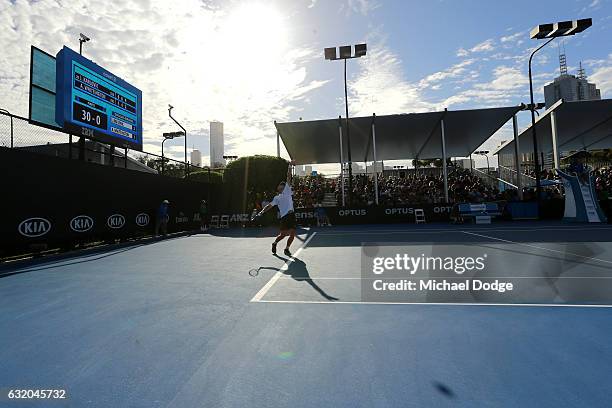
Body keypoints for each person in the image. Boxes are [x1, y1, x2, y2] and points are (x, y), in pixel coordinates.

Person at [255, 161, 296, 256]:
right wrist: (261, 212)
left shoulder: (287, 190)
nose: (280, 186)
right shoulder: (276, 198)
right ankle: (274, 243)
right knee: (283, 235)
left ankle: (287, 249)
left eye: (282, 185)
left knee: (292, 234)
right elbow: (269, 206)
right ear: (278, 188)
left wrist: (289, 166)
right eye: (279, 186)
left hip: (291, 215)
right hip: (284, 217)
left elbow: (288, 177)